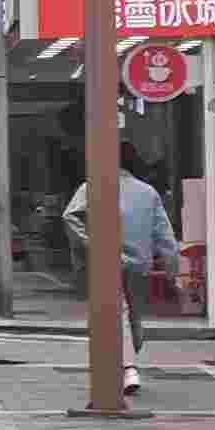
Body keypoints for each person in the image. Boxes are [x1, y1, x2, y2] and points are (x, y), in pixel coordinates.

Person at [65, 149, 174, 396]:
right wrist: (171, 263)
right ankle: (128, 364)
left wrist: (90, 243)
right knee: (134, 314)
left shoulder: (92, 186)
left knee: (119, 312)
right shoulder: (148, 192)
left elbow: (70, 217)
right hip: (140, 264)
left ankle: (128, 367)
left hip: (107, 260)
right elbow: (163, 231)